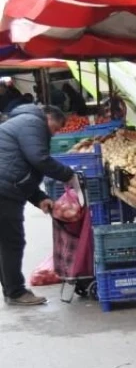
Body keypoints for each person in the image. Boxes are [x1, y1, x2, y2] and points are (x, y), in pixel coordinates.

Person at [0, 105, 75, 306]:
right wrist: (69, 175)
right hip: (4, 192)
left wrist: (39, 197)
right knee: (12, 242)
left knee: (7, 241)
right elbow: (39, 159)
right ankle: (15, 292)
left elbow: (20, 168)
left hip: (6, 188)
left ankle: (11, 290)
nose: (54, 133)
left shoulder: (24, 122)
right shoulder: (33, 123)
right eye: (56, 128)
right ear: (48, 117)